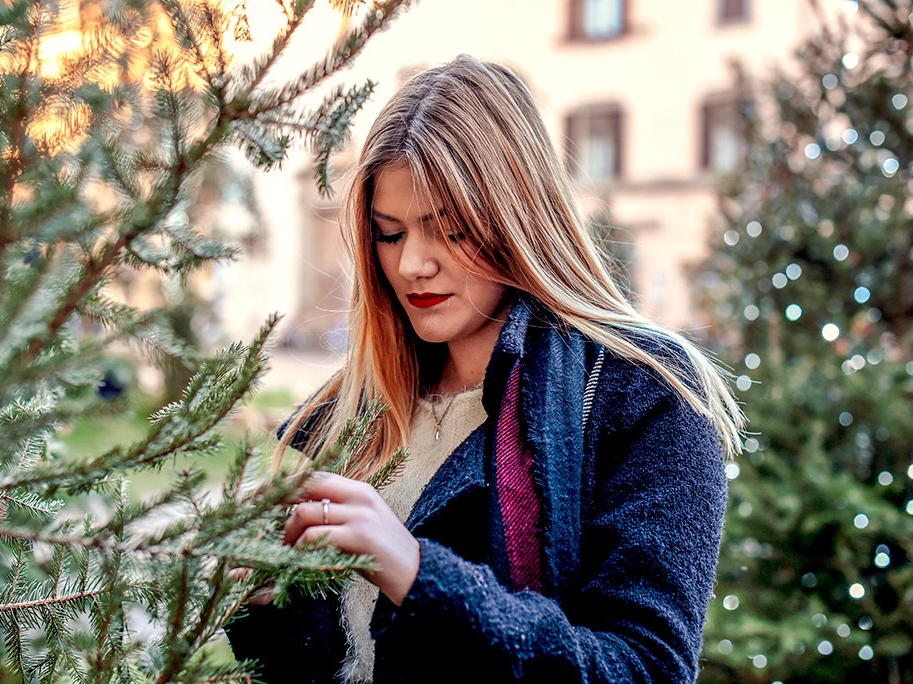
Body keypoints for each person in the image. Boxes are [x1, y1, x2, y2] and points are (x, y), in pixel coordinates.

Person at [226, 54, 745, 683]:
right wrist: (255, 597)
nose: (413, 264)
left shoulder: (638, 393)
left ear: (515, 216)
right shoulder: (338, 416)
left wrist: (418, 573)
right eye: (389, 235)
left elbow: (646, 669)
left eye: (446, 230)